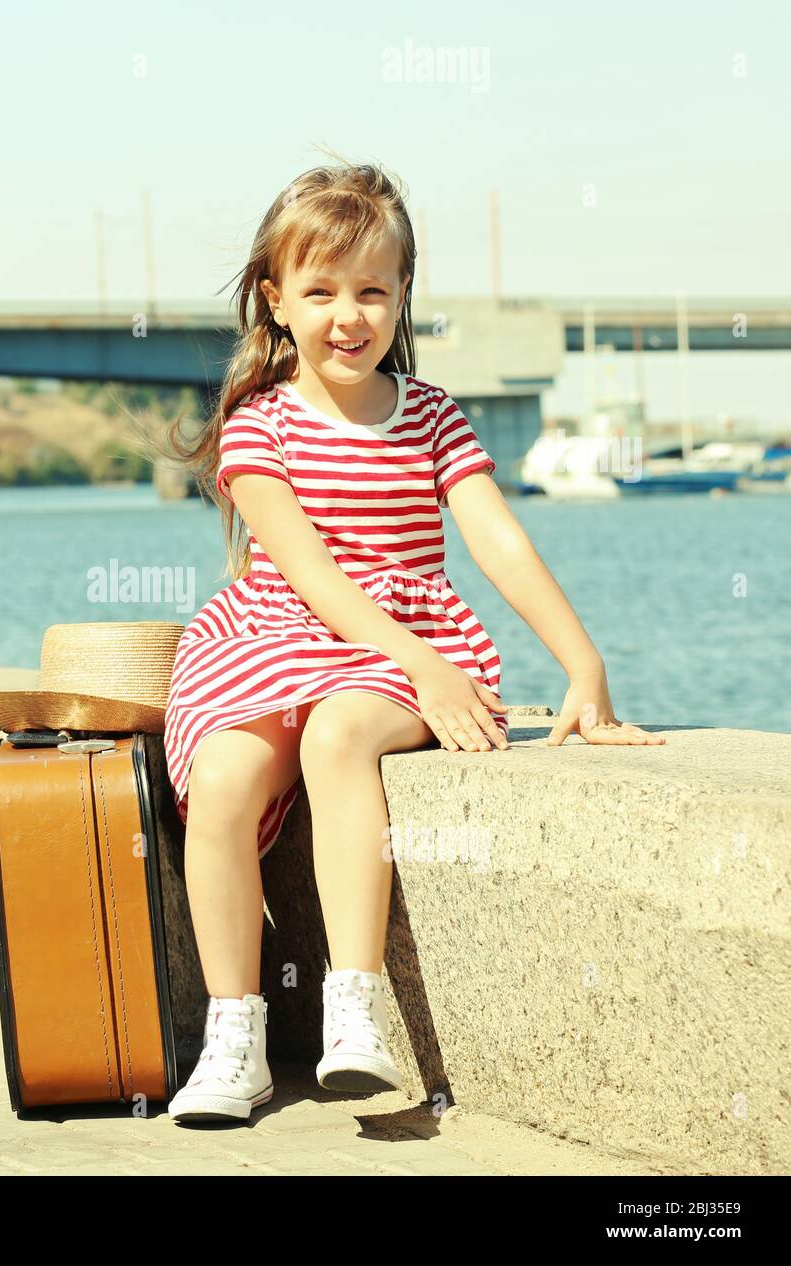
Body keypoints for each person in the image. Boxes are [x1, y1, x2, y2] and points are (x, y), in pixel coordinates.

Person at [158, 157, 665, 1125]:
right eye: (319, 292)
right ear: (273, 300)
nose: (347, 316)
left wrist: (581, 664)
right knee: (222, 780)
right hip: (281, 634)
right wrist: (422, 667)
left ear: (400, 298)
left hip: (398, 647)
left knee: (337, 738)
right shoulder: (256, 428)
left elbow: (496, 539)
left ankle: (352, 1006)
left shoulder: (431, 417)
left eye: (371, 291)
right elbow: (310, 577)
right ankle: (236, 1034)